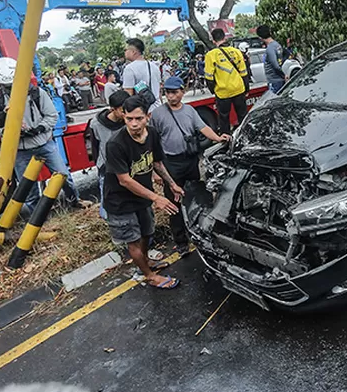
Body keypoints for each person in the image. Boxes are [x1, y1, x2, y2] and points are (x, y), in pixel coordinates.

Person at [103, 96, 183, 289]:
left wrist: (171, 184)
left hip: (142, 196)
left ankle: (146, 261)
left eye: (138, 118)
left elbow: (156, 162)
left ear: (148, 116)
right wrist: (156, 197)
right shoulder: (115, 143)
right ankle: (148, 275)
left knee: (147, 232)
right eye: (129, 118)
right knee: (133, 241)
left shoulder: (152, 134)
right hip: (120, 201)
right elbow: (124, 180)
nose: (134, 124)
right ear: (123, 117)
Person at [0, 58, 82, 214]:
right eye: (6, 86)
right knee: (28, 188)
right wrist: (8, 132)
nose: (10, 89)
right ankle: (38, 218)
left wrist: (38, 129)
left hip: (43, 144)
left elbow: (51, 115)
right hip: (20, 150)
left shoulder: (36, 93)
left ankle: (75, 202)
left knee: (63, 175)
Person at [150, 76, 230, 254]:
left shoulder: (190, 111)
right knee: (174, 203)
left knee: (197, 197)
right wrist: (155, 172)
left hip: (190, 161)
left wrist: (218, 138)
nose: (170, 97)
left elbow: (203, 128)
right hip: (170, 164)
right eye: (167, 93)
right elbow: (152, 143)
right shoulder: (157, 114)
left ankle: (202, 232)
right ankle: (181, 242)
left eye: (174, 92)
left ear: (182, 92)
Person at [90, 90, 129, 219]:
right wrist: (99, 165)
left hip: (126, 166)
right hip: (107, 167)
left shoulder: (129, 121)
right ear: (113, 109)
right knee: (108, 200)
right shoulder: (96, 124)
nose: (126, 113)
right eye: (122, 110)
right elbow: (94, 146)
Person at [204, 28, 249, 134]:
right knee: (243, 116)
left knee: (224, 119)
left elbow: (209, 78)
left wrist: (214, 91)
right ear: (224, 37)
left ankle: (226, 140)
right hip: (239, 89)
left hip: (223, 93)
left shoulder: (211, 55)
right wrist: (246, 89)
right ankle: (245, 136)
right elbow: (244, 73)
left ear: (213, 40)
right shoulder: (236, 51)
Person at [122, 38, 162, 112]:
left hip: (143, 112)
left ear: (133, 52)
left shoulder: (129, 69)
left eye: (126, 50)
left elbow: (128, 93)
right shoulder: (154, 66)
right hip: (158, 108)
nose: (125, 52)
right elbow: (159, 91)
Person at [256, 25, 286, 93]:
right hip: (280, 79)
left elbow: (275, 65)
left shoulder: (270, 48)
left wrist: (284, 75)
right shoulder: (277, 45)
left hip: (274, 81)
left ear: (260, 38)